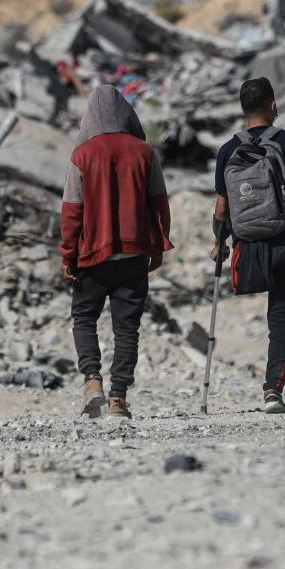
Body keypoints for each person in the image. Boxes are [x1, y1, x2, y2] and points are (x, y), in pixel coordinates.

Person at [60, 85, 171, 420]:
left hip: (92, 254)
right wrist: (159, 243)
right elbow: (160, 203)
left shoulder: (81, 155)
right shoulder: (144, 152)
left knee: (83, 318)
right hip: (134, 254)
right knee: (127, 329)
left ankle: (92, 381)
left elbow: (72, 210)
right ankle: (118, 399)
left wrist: (68, 254)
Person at [211, 76, 285, 415]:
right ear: (273, 105)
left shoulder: (228, 150)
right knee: (283, 318)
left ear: (243, 110)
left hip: (248, 251)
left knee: (270, 312)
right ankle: (273, 389)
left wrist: (220, 243)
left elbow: (221, 208)